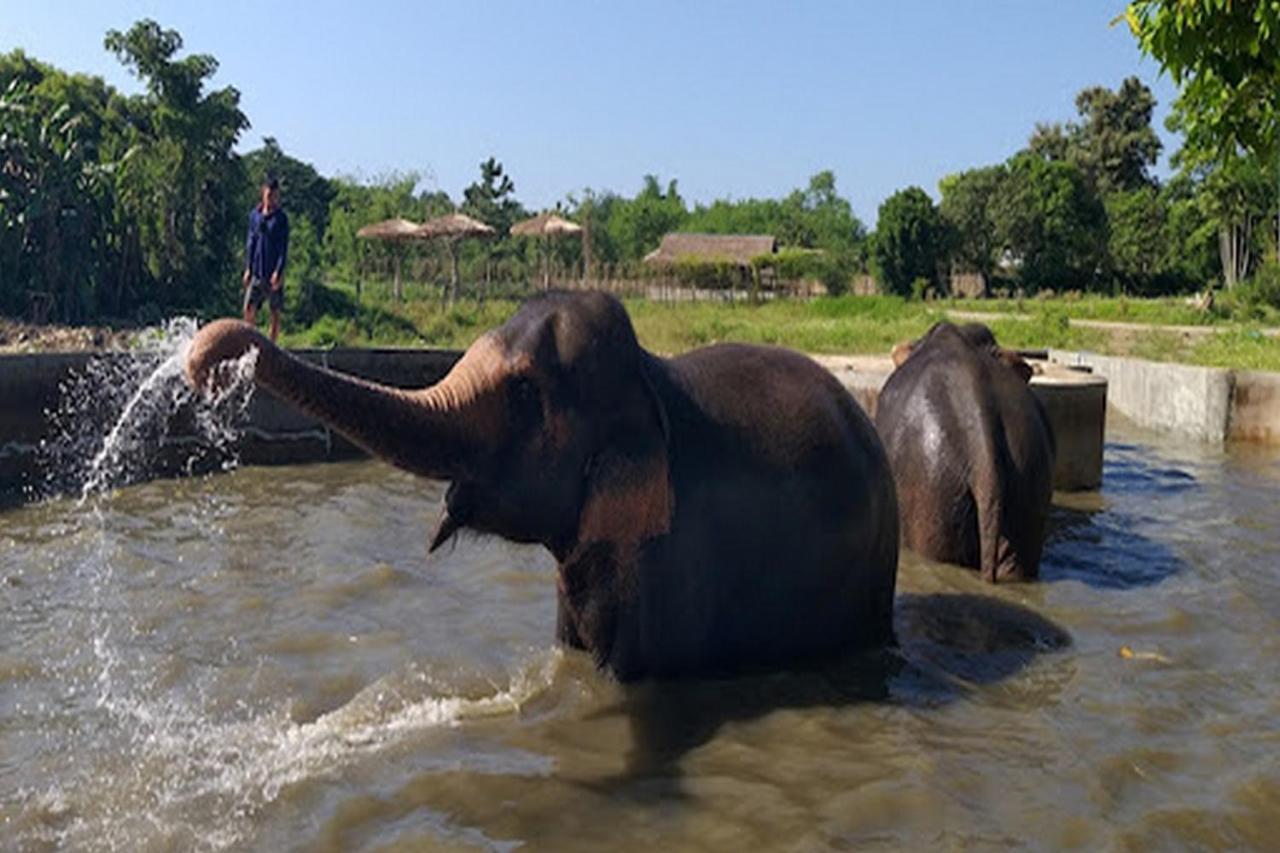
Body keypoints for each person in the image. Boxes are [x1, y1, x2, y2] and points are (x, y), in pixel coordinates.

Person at [242, 175, 290, 342]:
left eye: (275, 196)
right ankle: (250, 342)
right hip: (257, 269)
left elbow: (283, 248)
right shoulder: (254, 215)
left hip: (273, 271)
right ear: (263, 192)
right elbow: (250, 242)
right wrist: (248, 267)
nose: (272, 199)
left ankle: (272, 346)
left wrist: (279, 271)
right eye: (269, 195)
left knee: (275, 312)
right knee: (249, 308)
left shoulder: (281, 218)